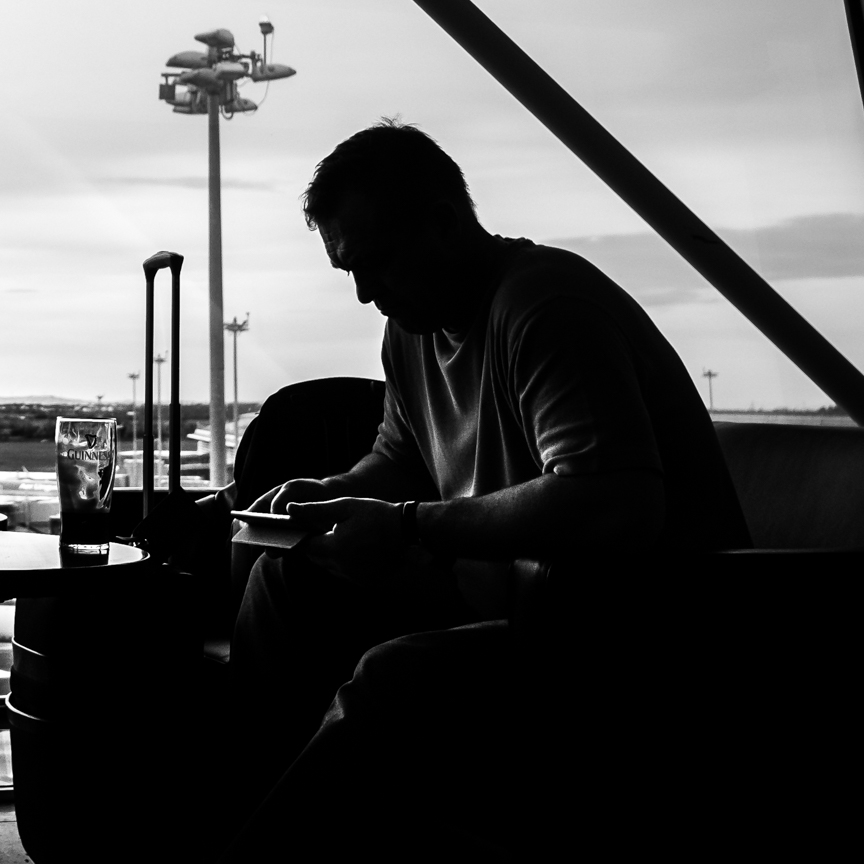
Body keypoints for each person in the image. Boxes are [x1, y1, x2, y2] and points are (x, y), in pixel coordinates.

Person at [222, 123, 749, 857]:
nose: (365, 292)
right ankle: (242, 810)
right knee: (282, 582)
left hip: (634, 631)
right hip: (514, 603)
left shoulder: (546, 309)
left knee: (388, 682)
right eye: (349, 270)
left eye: (375, 264)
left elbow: (616, 506)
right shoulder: (413, 329)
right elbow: (399, 459)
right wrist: (331, 492)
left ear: (444, 223)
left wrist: (406, 526)